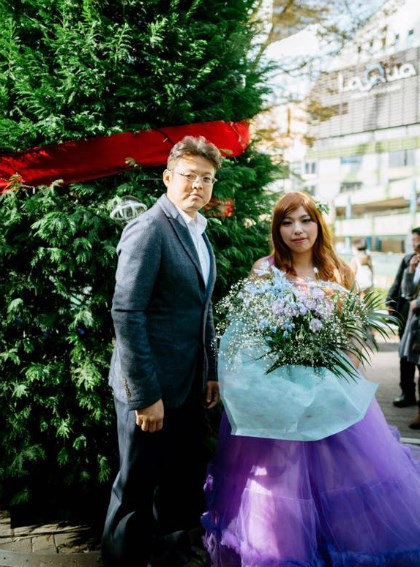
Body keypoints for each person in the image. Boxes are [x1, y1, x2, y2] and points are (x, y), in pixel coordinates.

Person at [202, 191, 420, 567]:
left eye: (305, 220)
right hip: (281, 397)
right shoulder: (264, 270)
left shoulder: (339, 271)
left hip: (332, 393)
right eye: (287, 222)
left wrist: (342, 369)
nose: (297, 230)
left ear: (319, 224)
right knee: (285, 482)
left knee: (341, 476)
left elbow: (354, 332)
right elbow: (251, 335)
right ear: (277, 229)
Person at [102, 136, 221, 567]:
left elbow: (202, 308)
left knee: (178, 487)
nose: (197, 185)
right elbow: (127, 312)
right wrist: (145, 395)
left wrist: (211, 371)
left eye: (206, 178)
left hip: (188, 387)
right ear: (168, 177)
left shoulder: (199, 232)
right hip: (150, 391)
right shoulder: (149, 228)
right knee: (134, 492)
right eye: (189, 175)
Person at [387, 227, 420, 408]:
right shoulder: (408, 259)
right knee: (405, 356)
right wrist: (390, 302)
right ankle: (407, 392)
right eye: (413, 240)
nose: (414, 244)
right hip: (407, 315)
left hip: (417, 314)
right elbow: (399, 283)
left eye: (417, 240)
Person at [399, 242, 420, 429]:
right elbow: (406, 292)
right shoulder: (416, 263)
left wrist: (418, 302)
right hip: (416, 325)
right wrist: (411, 269)